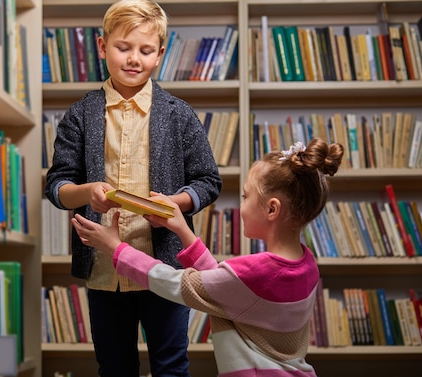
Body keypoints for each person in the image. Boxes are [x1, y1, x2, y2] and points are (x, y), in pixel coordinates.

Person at [44, 0, 222, 377]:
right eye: (123, 48)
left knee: (171, 366)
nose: (133, 59)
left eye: (145, 50)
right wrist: (86, 192)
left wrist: (174, 204)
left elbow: (209, 181)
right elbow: (56, 185)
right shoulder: (80, 114)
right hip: (105, 271)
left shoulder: (178, 114)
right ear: (102, 46)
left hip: (164, 267)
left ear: (160, 54)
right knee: (114, 366)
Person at [72, 138, 345, 377]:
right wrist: (180, 228)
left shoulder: (256, 272)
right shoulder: (306, 265)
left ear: (272, 209)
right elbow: (224, 290)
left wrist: (115, 248)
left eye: (245, 196)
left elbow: (177, 283)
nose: (241, 204)